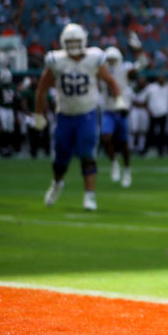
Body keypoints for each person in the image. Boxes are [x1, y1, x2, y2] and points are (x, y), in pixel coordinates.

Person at [33, 23, 122, 211]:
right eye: (70, 41)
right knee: (60, 159)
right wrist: (39, 114)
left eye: (76, 41)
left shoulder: (94, 57)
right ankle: (57, 183)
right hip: (64, 115)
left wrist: (118, 99)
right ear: (63, 42)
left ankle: (89, 196)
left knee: (87, 154)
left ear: (84, 41)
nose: (73, 45)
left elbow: (110, 81)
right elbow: (42, 89)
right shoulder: (56, 60)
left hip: (87, 114)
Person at [99, 46, 135, 187]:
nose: (112, 62)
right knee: (106, 137)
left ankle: (127, 169)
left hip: (121, 110)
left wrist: (139, 52)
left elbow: (139, 67)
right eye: (109, 60)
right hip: (108, 110)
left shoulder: (124, 69)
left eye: (114, 60)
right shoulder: (102, 71)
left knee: (124, 144)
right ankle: (114, 163)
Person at [138, 74, 168, 156]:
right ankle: (145, 150)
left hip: (164, 113)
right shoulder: (151, 88)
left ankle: (161, 151)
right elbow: (142, 98)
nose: (161, 80)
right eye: (159, 78)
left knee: (162, 133)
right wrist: (148, 109)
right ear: (157, 79)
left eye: (162, 78)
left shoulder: (167, 88)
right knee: (150, 133)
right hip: (153, 114)